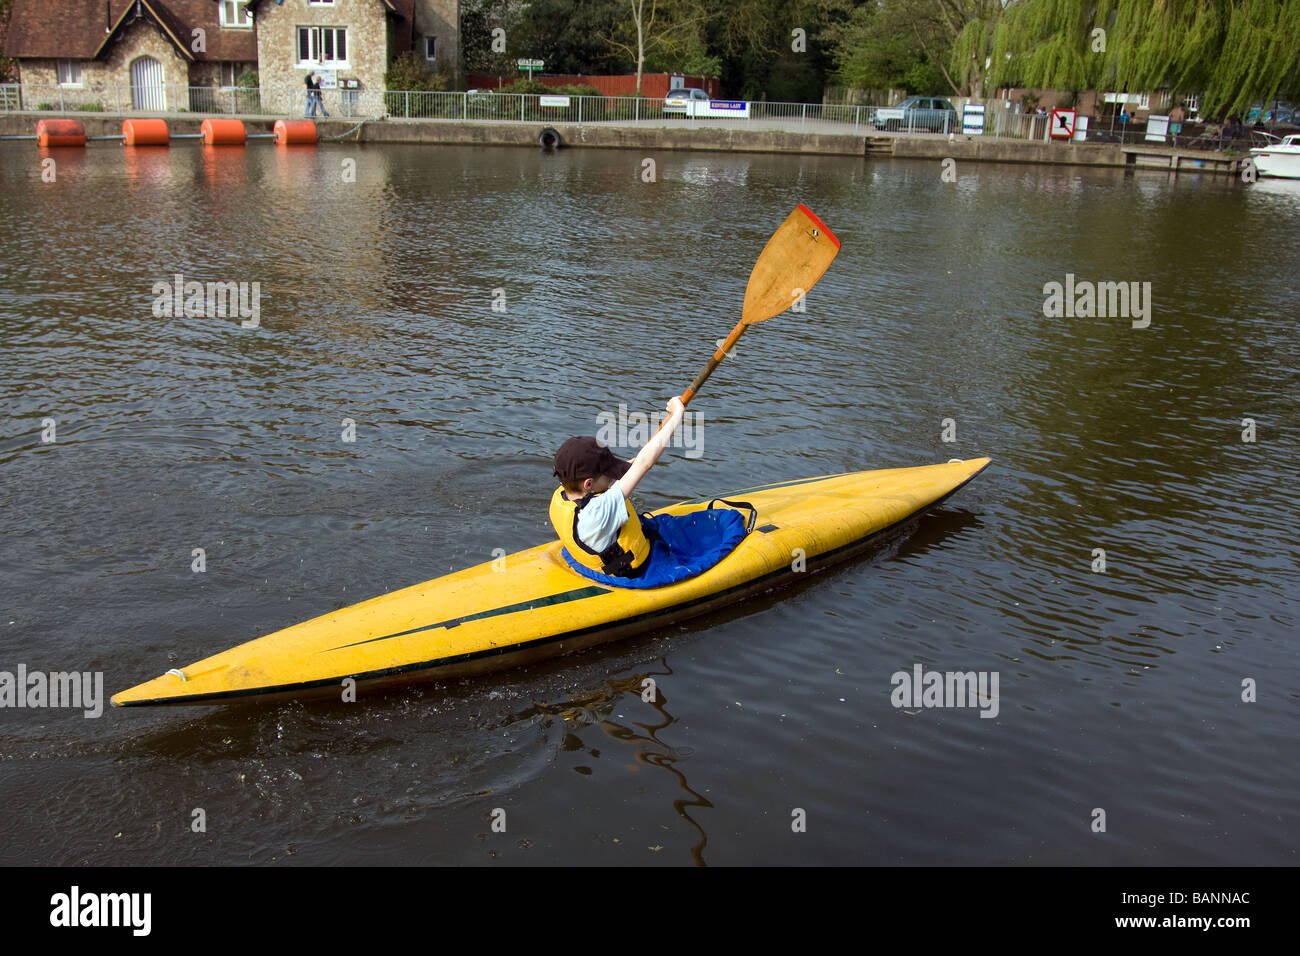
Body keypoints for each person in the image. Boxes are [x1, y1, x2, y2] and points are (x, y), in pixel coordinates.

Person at [549, 397, 751, 588]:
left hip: (593, 563)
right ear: (588, 484)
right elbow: (645, 463)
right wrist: (678, 414)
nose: (612, 477)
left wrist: (666, 424)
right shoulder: (597, 513)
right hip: (633, 572)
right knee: (725, 527)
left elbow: (638, 463)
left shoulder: (564, 493)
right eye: (607, 475)